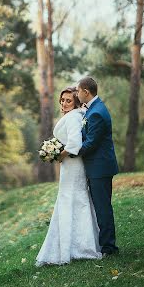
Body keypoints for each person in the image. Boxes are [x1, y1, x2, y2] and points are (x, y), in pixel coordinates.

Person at [35, 87, 102, 266]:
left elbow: (74, 143)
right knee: (73, 199)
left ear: (76, 103)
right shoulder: (76, 115)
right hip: (71, 165)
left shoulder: (73, 117)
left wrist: (59, 155)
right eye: (62, 100)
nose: (64, 103)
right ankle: (73, 245)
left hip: (73, 165)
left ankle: (79, 247)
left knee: (73, 199)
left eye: (68, 101)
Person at [70, 76, 120, 257]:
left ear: (86, 92)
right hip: (98, 167)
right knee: (101, 206)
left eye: (78, 91)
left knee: (102, 208)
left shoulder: (97, 113)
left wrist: (69, 152)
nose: (76, 94)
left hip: (100, 168)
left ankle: (109, 248)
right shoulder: (93, 109)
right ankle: (107, 245)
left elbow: (91, 143)